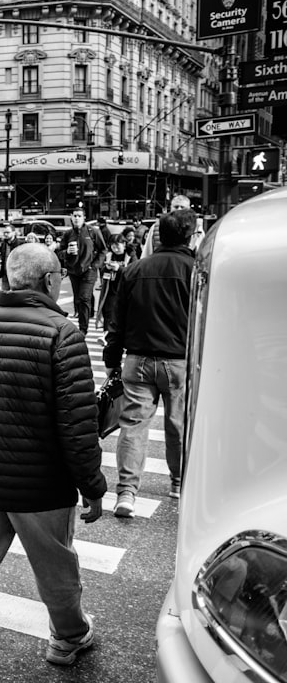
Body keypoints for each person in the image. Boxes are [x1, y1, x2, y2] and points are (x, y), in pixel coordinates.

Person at [0, 243, 106, 682]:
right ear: (49, 281)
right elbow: (77, 425)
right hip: (41, 490)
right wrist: (92, 485)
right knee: (56, 572)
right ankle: (67, 638)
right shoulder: (62, 334)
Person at [103, 209, 197, 516]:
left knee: (133, 424)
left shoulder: (135, 270)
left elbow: (117, 321)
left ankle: (127, 493)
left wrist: (111, 359)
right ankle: (179, 482)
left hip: (138, 359)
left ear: (159, 236)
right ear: (190, 235)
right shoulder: (196, 271)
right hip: (179, 361)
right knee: (178, 422)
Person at [58, 208, 106, 336]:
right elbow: (60, 252)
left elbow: (103, 250)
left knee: (84, 297)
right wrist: (66, 252)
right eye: (74, 216)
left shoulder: (93, 232)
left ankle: (83, 329)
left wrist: (95, 265)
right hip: (74, 271)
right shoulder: (68, 234)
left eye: (79, 216)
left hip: (89, 270)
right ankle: (84, 319)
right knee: (78, 299)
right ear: (71, 217)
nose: (77, 218)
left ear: (84, 217)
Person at [95, 233, 132, 337]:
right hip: (109, 289)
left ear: (124, 244)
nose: (115, 248)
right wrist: (107, 268)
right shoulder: (109, 255)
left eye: (117, 245)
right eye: (112, 246)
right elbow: (101, 270)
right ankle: (106, 335)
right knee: (108, 312)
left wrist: (119, 269)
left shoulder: (130, 255)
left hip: (125, 290)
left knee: (122, 314)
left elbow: (133, 272)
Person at [0, 222, 19, 292]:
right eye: (4, 232)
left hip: (15, 274)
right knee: (4, 293)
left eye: (8, 232)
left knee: (15, 293)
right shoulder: (4, 243)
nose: (6, 234)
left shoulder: (18, 244)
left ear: (14, 233)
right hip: (5, 273)